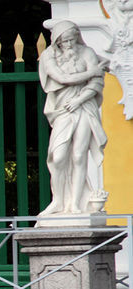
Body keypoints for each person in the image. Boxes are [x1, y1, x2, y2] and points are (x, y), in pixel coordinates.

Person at [38, 21, 110, 216]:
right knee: (58, 156)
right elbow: (61, 78)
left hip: (84, 107)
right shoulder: (48, 56)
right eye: (64, 41)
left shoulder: (86, 53)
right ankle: (58, 201)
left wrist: (80, 99)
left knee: (79, 156)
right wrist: (92, 71)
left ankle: (76, 203)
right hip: (62, 109)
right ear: (57, 41)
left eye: (72, 39)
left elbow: (96, 83)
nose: (69, 45)